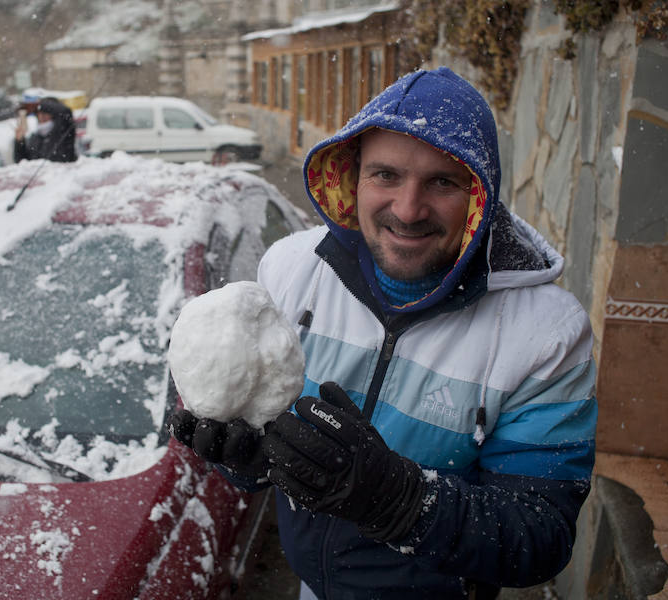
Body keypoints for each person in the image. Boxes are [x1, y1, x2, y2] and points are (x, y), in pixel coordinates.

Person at [169, 67, 597, 599]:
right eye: (386, 175)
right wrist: (251, 462)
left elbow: (541, 534)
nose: (408, 209)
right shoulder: (291, 272)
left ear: (480, 198)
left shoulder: (547, 336)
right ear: (351, 178)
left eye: (443, 181)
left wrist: (399, 500)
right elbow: (267, 441)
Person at [13, 97, 77, 163]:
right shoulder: (35, 138)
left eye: (45, 113)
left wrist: (38, 105)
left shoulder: (63, 133)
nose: (41, 116)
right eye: (38, 113)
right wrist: (19, 142)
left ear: (54, 115)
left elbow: (65, 111)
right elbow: (22, 163)